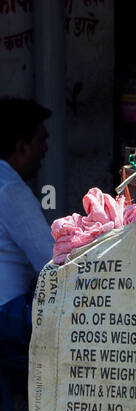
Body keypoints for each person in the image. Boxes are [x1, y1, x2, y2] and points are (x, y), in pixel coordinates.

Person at [0, 98, 53, 365]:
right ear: (22, 147)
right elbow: (50, 262)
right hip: (5, 315)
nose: (46, 149)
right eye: (41, 141)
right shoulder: (11, 190)